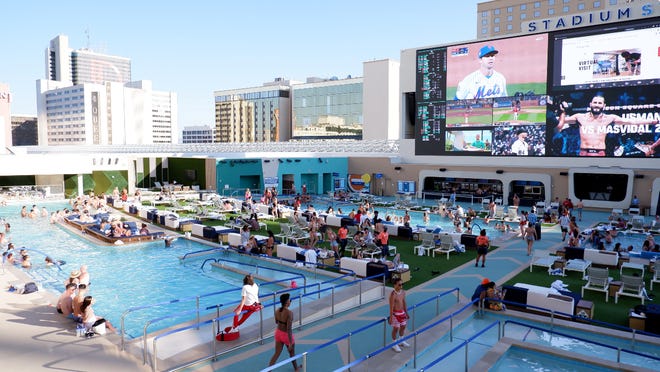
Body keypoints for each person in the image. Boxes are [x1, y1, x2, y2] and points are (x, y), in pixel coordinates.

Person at [557, 95, 659, 156]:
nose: (597, 105)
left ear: (604, 106)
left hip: (600, 153)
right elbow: (560, 122)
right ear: (590, 104)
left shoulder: (609, 118)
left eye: (599, 103)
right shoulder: (579, 117)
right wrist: (561, 111)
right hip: (584, 153)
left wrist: (652, 121)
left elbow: (631, 121)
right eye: (595, 102)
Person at [268, 293, 299, 371]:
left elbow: (276, 322)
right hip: (286, 335)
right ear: (286, 302)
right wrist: (291, 343)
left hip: (278, 333)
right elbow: (289, 329)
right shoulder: (289, 313)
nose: (290, 301)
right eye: (289, 300)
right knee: (292, 354)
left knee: (276, 354)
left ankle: (268, 370)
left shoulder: (277, 310)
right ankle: (296, 369)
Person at [389, 278, 410, 353]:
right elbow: (391, 307)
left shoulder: (403, 292)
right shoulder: (393, 294)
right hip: (395, 314)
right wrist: (391, 317)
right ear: (395, 285)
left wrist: (406, 313)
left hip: (402, 313)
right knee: (396, 329)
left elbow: (404, 303)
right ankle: (394, 344)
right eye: (399, 285)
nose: (401, 286)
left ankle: (401, 340)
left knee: (403, 327)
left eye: (402, 284)